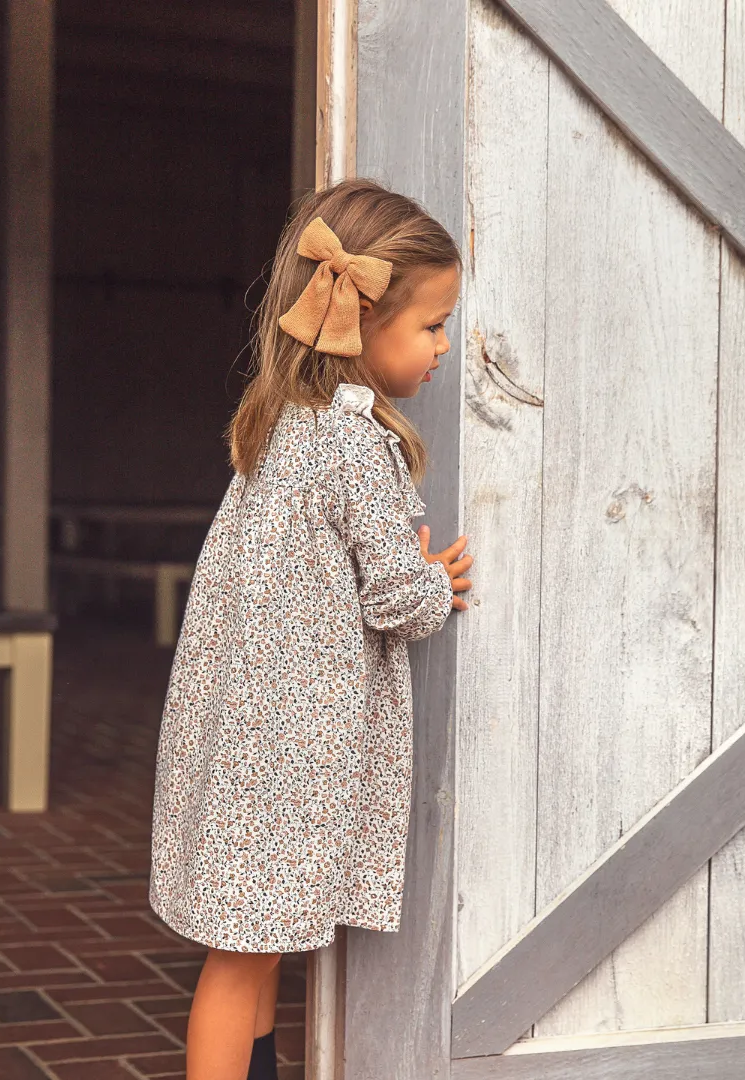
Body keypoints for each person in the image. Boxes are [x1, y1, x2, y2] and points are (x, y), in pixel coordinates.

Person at [148, 177, 474, 1080]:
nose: (443, 344)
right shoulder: (350, 446)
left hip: (251, 737)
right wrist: (436, 584)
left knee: (253, 954)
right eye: (431, 324)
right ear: (364, 325)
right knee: (240, 959)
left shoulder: (283, 427)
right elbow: (394, 599)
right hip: (290, 753)